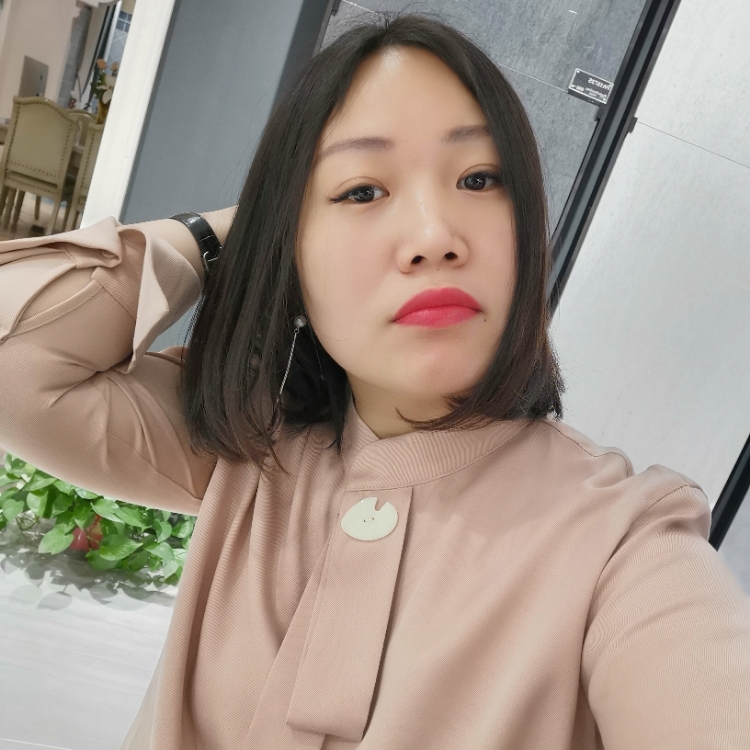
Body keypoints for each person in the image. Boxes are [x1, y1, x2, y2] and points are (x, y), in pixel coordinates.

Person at [0, 14, 748, 750]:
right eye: (361, 191)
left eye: (480, 179)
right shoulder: (247, 443)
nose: (433, 236)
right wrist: (239, 231)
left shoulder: (624, 547)